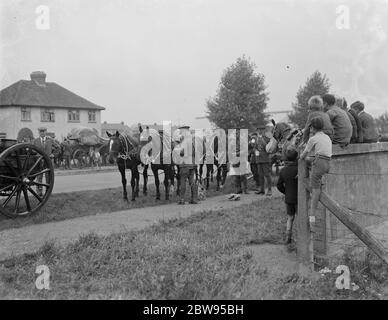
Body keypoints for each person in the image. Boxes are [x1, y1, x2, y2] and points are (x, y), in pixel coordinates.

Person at [299, 117, 332, 227]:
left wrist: (300, 158)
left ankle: (312, 216)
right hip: (327, 163)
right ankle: (319, 182)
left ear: (312, 128)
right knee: (316, 176)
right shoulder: (327, 137)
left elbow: (304, 153)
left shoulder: (313, 138)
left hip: (320, 164)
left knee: (315, 191)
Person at [277, 148, 298, 244]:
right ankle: (301, 237)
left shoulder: (283, 170)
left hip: (289, 198)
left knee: (290, 218)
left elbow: (279, 185)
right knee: (301, 217)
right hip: (299, 198)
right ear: (297, 157)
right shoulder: (300, 169)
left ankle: (288, 238)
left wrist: (286, 192)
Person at [174, 126, 198, 205]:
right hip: (192, 164)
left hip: (185, 165)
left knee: (183, 181)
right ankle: (194, 199)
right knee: (192, 181)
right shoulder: (192, 141)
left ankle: (182, 199)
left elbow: (182, 153)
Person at [33, 127, 54, 196]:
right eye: (40, 132)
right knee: (39, 177)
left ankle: (48, 191)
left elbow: (58, 148)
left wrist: (53, 154)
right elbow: (32, 150)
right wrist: (36, 155)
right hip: (39, 162)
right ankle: (39, 192)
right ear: (39, 132)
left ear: (45, 132)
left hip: (48, 161)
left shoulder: (50, 140)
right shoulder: (35, 141)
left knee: (48, 176)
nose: (42, 133)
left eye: (43, 131)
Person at [254, 125, 272, 196]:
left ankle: (269, 190)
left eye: (261, 129)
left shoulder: (267, 138)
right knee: (260, 175)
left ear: (263, 130)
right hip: (258, 159)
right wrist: (255, 151)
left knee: (267, 175)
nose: (260, 131)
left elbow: (270, 148)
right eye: (258, 130)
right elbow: (255, 147)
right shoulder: (256, 138)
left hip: (265, 159)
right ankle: (262, 190)